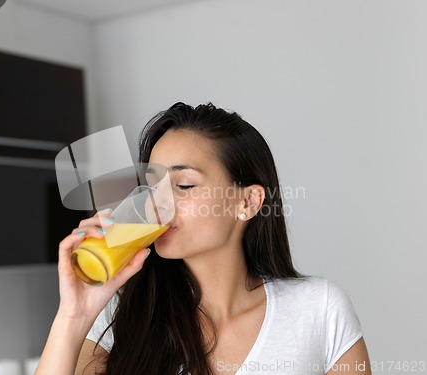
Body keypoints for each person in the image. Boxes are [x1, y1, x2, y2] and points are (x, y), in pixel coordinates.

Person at [36, 102, 371, 375]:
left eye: (184, 185)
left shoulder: (318, 309)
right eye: (151, 186)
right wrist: (74, 315)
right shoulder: (120, 316)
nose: (158, 202)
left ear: (247, 202)